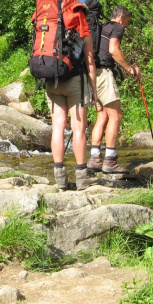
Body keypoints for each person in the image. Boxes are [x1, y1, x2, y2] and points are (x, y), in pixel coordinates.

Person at [46, 18, 100, 191]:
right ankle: (81, 176)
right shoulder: (83, 29)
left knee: (57, 128)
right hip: (76, 82)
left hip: (52, 81)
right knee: (78, 128)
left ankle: (60, 177)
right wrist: (94, 91)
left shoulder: (51, 27)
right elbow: (90, 62)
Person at [87, 5, 140, 175]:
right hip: (104, 73)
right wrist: (130, 69)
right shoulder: (117, 27)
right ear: (122, 17)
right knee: (116, 116)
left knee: (102, 115)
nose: (126, 26)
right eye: (128, 22)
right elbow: (113, 49)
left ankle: (95, 159)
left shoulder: (100, 27)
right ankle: (110, 160)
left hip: (91, 74)